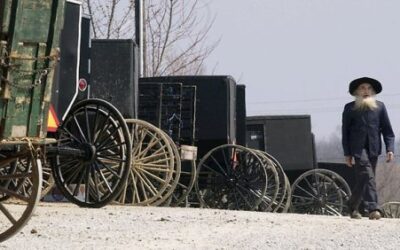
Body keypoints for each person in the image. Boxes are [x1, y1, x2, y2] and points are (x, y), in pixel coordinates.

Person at [342, 77, 395, 220]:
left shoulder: (380, 107)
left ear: (373, 91)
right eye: (362, 88)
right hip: (357, 149)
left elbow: (388, 131)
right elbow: (345, 132)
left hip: (374, 148)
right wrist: (347, 153)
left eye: (369, 88)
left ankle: (353, 206)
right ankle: (373, 208)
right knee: (367, 174)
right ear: (356, 91)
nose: (366, 91)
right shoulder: (350, 108)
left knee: (364, 177)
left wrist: (390, 149)